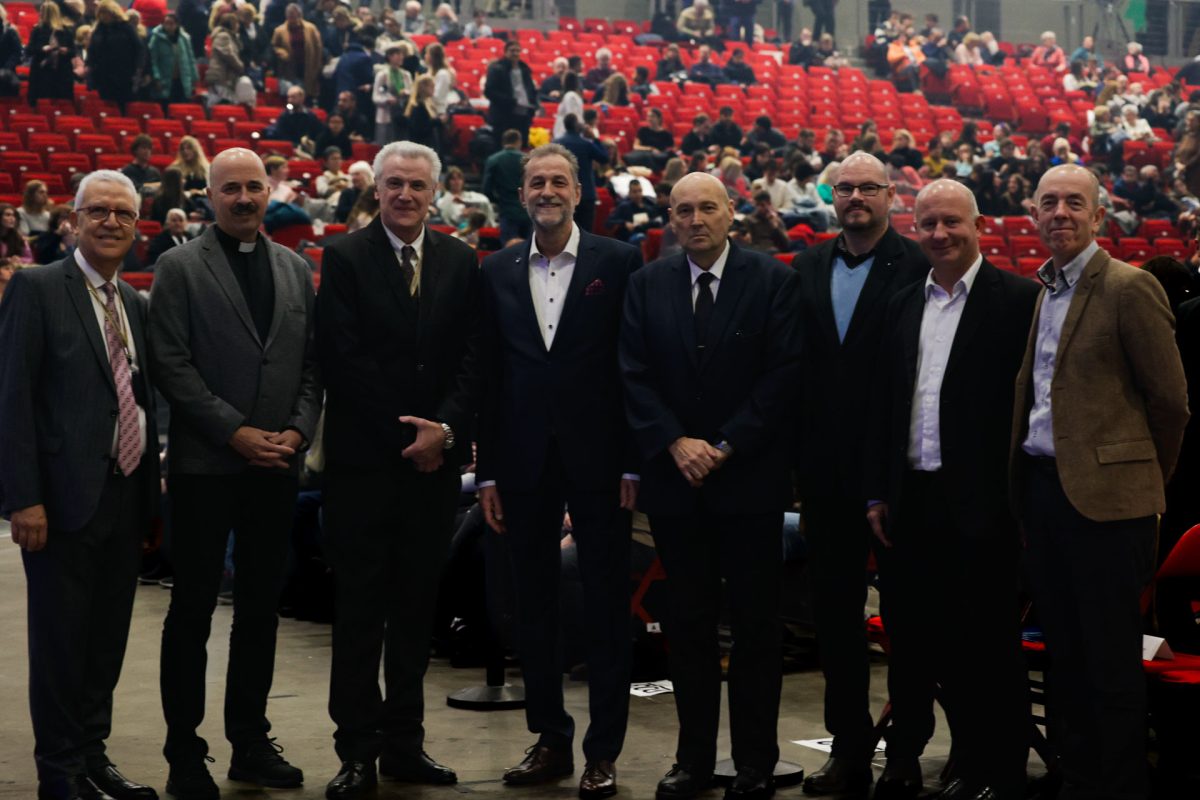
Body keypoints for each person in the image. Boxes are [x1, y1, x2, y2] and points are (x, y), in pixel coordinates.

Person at [619, 171, 803, 800]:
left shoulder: (774, 280)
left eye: (706, 208)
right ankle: (692, 760)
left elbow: (784, 375)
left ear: (730, 213)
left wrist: (724, 445)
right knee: (688, 627)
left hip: (749, 482)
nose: (695, 220)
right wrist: (677, 443)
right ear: (670, 219)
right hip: (677, 485)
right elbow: (632, 375)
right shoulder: (646, 284)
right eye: (683, 210)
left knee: (756, 627)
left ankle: (755, 762)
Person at [1012, 164, 1189, 800]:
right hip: (1043, 493)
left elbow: (1171, 403)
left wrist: (1139, 482)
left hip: (1111, 507)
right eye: (1049, 202)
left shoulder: (1129, 287)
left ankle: (1118, 787)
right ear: (1034, 213)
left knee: (1110, 659)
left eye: (1073, 202)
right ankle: (1077, 778)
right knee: (1064, 653)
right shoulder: (1044, 291)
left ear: (1098, 216)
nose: (1060, 212)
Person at [150, 148, 321, 798]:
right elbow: (171, 364)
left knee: (259, 610)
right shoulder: (178, 266)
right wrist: (235, 432)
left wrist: (298, 431)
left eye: (254, 186)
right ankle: (184, 753)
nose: (245, 198)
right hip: (205, 468)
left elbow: (312, 365)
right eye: (231, 189)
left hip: (275, 466)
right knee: (192, 610)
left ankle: (249, 741)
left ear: (268, 191)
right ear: (209, 195)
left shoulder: (294, 267)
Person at [476, 142, 642, 800]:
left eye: (558, 182)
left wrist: (632, 461)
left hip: (600, 461)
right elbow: (490, 375)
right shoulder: (496, 269)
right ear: (522, 195)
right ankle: (550, 738)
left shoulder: (619, 261)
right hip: (522, 462)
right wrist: (488, 473)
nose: (547, 191)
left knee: (605, 606)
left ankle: (604, 751)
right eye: (536, 182)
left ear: (578, 192)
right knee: (534, 606)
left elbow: (633, 366)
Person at [315, 141, 481, 798]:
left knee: (415, 612)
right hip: (364, 466)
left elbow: (472, 358)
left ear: (434, 192)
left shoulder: (460, 260)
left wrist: (444, 431)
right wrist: (409, 434)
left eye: (417, 185)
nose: (405, 195)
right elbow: (343, 358)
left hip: (433, 469)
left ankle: (405, 746)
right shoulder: (345, 257)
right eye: (394, 184)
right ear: (376, 190)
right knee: (360, 613)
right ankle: (357, 751)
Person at [864, 179, 1039, 800]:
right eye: (929, 223)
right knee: (913, 641)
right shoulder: (902, 303)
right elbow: (884, 404)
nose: (940, 234)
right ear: (914, 228)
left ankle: (998, 768)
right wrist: (877, 492)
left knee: (987, 644)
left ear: (979, 225)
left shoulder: (1020, 300)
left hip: (984, 505)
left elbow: (1031, 408)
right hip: (910, 502)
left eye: (952, 222)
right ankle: (916, 757)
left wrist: (1020, 502)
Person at [0, 171, 159, 800]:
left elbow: (138, 398)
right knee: (61, 643)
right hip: (60, 500)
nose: (111, 222)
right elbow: (12, 400)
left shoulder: (134, 303)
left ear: (137, 225)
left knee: (106, 639)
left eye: (124, 213)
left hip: (125, 493)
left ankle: (94, 757)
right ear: (73, 219)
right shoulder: (37, 288)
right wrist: (24, 499)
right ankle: (59, 771)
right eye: (98, 211)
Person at [790, 151, 928, 798]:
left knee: (907, 618)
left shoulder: (920, 266)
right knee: (836, 618)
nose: (854, 198)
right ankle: (847, 749)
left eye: (867, 188)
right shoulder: (808, 265)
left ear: (890, 196)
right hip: (823, 474)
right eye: (843, 188)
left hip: (896, 471)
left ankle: (906, 752)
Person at [553, 114, 607, 234]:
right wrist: (595, 138)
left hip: (562, 193)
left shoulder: (556, 143)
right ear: (577, 125)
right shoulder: (586, 144)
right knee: (585, 234)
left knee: (562, 233)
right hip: (585, 193)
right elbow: (604, 158)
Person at [88, 0, 141, 111]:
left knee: (123, 105)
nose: (103, 16)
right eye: (101, 13)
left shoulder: (126, 28)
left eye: (105, 12)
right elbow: (92, 50)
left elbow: (138, 49)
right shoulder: (98, 30)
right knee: (107, 106)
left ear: (113, 12)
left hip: (123, 75)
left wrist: (137, 70)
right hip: (103, 76)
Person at [484, 39, 538, 147]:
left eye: (518, 51)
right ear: (505, 52)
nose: (515, 53)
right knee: (502, 145)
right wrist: (510, 101)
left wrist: (534, 103)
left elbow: (531, 90)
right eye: (512, 50)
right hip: (503, 115)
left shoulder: (525, 69)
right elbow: (489, 91)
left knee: (522, 146)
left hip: (523, 115)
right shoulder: (496, 68)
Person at [483, 128, 532, 243]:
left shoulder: (493, 160)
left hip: (506, 210)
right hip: (527, 212)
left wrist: (498, 201)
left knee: (508, 249)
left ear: (503, 141)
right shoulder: (528, 160)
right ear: (519, 141)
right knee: (529, 249)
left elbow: (486, 189)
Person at [26, 0, 75, 105]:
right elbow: (29, 50)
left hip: (61, 72)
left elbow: (73, 51)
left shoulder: (65, 31)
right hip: (42, 73)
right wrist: (42, 49)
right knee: (43, 102)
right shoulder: (37, 30)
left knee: (60, 103)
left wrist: (66, 51)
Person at [271, 3, 322, 98]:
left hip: (308, 68)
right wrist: (281, 52)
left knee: (307, 95)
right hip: (289, 69)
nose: (292, 19)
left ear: (300, 15)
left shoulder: (311, 29)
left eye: (294, 16)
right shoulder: (279, 31)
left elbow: (318, 48)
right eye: (290, 16)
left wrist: (317, 67)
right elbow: (274, 46)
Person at [147, 13, 197, 105]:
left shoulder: (184, 38)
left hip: (182, 80)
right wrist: (156, 78)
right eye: (166, 23)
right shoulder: (156, 39)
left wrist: (194, 78)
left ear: (177, 24)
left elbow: (190, 58)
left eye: (171, 23)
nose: (168, 26)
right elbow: (152, 60)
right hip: (164, 80)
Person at [606, 178, 665, 242]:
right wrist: (624, 223)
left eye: (640, 191)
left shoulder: (649, 205)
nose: (638, 194)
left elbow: (657, 221)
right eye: (634, 192)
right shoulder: (624, 207)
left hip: (647, 236)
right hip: (629, 238)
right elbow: (609, 222)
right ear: (629, 193)